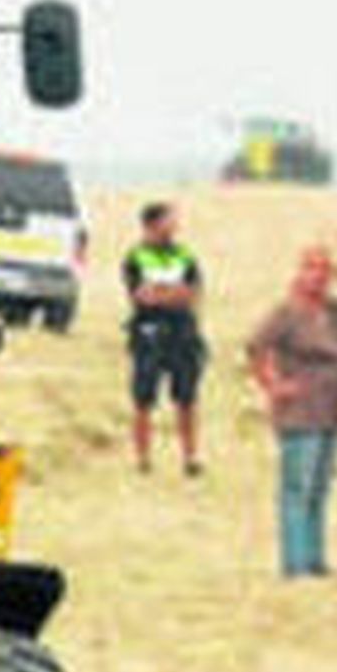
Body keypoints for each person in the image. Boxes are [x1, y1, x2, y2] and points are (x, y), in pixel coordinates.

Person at [245, 246, 337, 577]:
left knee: (319, 488)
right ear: (300, 271)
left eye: (324, 269)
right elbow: (256, 345)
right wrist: (273, 384)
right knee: (297, 488)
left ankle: (315, 558)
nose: (318, 276)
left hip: (332, 408)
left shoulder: (336, 310)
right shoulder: (287, 312)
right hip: (300, 412)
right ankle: (294, 563)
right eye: (312, 268)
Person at [121, 199, 207, 474]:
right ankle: (143, 458)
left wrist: (161, 293)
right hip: (148, 332)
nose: (175, 226)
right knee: (143, 399)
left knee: (187, 398)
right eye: (169, 220)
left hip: (183, 333)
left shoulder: (186, 256)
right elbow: (141, 296)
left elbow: (192, 295)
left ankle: (190, 457)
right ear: (152, 224)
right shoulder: (135, 257)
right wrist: (170, 294)